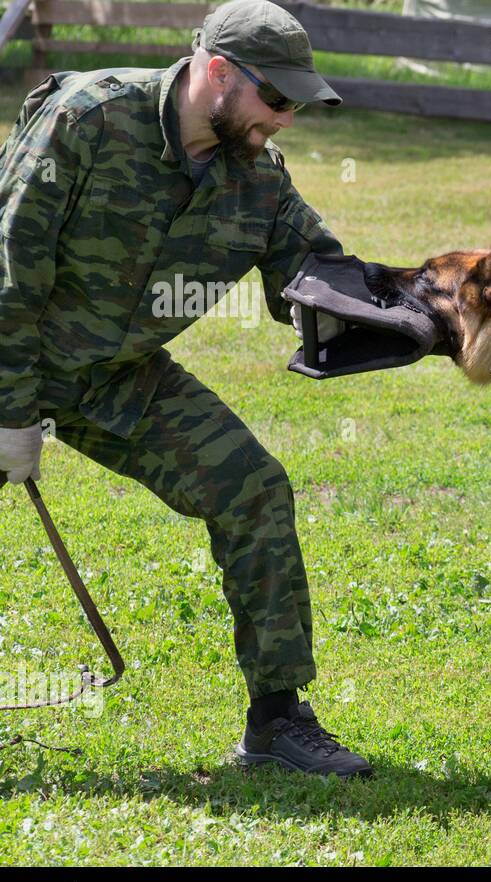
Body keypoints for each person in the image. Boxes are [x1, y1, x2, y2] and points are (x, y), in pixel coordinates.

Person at [0, 0, 367, 777]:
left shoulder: (256, 176)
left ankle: (276, 723)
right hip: (12, 352)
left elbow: (317, 277)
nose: (286, 118)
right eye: (276, 98)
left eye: (297, 104)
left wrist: (435, 313)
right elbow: (9, 268)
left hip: (114, 377)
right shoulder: (88, 119)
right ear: (217, 72)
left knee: (254, 488)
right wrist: (9, 409)